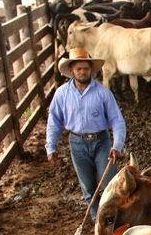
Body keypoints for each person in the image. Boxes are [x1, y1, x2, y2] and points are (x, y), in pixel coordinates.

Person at [46, 47, 126, 218]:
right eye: (79, 69)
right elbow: (54, 121)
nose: (83, 72)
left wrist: (117, 145)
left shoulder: (103, 93)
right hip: (77, 143)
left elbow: (117, 120)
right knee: (88, 186)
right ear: (71, 71)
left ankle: (114, 217)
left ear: (91, 70)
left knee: (110, 182)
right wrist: (50, 148)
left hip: (101, 142)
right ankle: (97, 219)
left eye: (86, 68)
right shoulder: (61, 94)